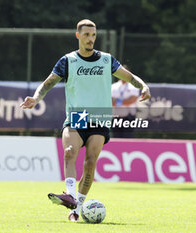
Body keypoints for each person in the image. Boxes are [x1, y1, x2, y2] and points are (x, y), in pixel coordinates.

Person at [20, 19, 151, 222]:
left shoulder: (106, 60)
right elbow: (47, 83)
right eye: (87, 35)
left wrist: (143, 86)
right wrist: (36, 98)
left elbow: (130, 77)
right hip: (77, 116)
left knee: (90, 164)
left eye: (93, 35)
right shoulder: (68, 61)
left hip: (99, 116)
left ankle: (76, 208)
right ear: (78, 36)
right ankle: (71, 197)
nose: (91, 39)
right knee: (69, 152)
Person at [111, 65, 140, 138]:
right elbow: (110, 101)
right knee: (116, 137)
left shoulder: (134, 85)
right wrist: (124, 101)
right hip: (116, 116)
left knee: (128, 137)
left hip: (129, 117)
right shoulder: (113, 86)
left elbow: (132, 100)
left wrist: (117, 101)